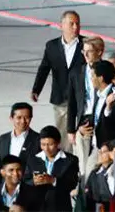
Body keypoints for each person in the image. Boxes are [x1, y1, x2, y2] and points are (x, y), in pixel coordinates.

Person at [31, 10, 84, 138]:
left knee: (81, 136)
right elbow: (44, 69)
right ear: (62, 25)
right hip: (61, 98)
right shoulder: (52, 46)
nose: (75, 27)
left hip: (81, 98)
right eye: (71, 24)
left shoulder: (86, 45)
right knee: (63, 133)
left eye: (77, 23)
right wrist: (36, 89)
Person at [0, 102, 41, 187]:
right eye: (19, 117)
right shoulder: (3, 139)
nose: (23, 121)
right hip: (5, 189)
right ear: (11, 118)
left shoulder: (38, 140)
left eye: (26, 117)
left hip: (28, 190)